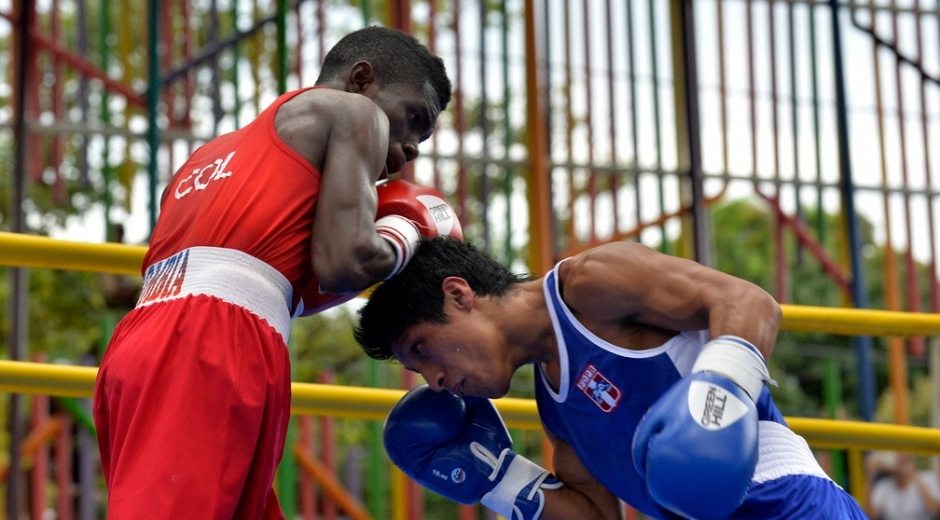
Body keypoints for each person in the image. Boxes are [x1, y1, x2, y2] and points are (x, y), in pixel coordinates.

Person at [92, 26, 459, 519]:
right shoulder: (355, 112)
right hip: (211, 343)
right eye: (413, 117)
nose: (412, 147)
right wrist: (409, 230)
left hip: (147, 343)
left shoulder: (204, 160)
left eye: (423, 137)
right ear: (362, 79)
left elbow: (288, 284)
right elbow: (347, 261)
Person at [354, 237, 868, 520]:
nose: (434, 380)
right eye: (417, 369)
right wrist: (499, 480)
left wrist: (716, 397)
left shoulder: (590, 285)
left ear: (459, 295)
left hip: (787, 502)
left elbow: (748, 302)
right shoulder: (556, 407)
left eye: (421, 349)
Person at [868, 452, 940, 520]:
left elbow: (934, 510)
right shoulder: (884, 486)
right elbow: (870, 515)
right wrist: (870, 474)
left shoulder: (927, 478)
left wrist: (915, 477)